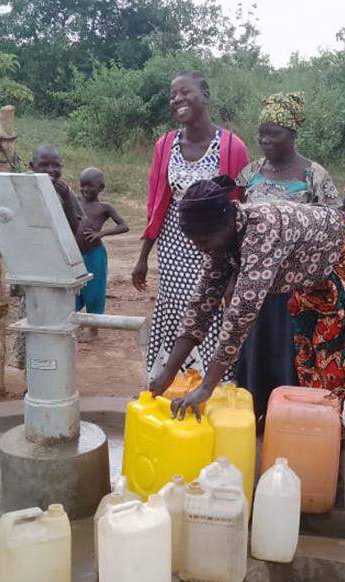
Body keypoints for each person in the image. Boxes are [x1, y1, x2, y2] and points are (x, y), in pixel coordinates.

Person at [149, 177, 345, 419]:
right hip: (315, 275)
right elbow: (201, 305)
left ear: (225, 224)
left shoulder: (262, 228)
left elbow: (241, 314)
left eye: (204, 241)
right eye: (196, 244)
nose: (202, 249)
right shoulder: (220, 242)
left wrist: (207, 387)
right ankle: (316, 424)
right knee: (310, 350)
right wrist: (168, 373)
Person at [133, 70, 250, 381]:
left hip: (214, 246)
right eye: (173, 96)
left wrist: (235, 265)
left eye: (185, 92)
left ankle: (213, 385)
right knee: (173, 308)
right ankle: (169, 382)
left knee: (211, 308)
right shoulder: (165, 145)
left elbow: (240, 209)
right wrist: (143, 256)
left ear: (206, 96)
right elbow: (156, 203)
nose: (177, 99)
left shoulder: (231, 147)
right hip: (173, 242)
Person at [236, 92, 340, 416]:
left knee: (290, 348)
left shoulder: (314, 176)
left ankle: (287, 417)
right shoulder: (248, 174)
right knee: (254, 346)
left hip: (297, 286)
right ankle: (253, 413)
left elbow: (334, 225)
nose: (264, 139)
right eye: (261, 132)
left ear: (293, 133)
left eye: (274, 133)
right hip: (254, 280)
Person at [11, 144, 84, 369]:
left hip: (58, 265)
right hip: (29, 265)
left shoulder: (65, 191)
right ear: (31, 166)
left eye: (56, 165)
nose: (51, 170)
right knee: (32, 316)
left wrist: (64, 199)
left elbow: (74, 230)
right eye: (44, 165)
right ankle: (32, 372)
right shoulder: (20, 186)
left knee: (57, 319)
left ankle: (52, 370)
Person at [75, 166, 129, 342]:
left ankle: (93, 330)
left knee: (94, 291)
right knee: (72, 289)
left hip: (95, 254)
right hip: (74, 254)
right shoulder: (75, 203)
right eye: (82, 185)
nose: (85, 190)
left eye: (90, 186)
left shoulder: (104, 208)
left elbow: (123, 225)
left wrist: (102, 233)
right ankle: (72, 324)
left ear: (101, 187)